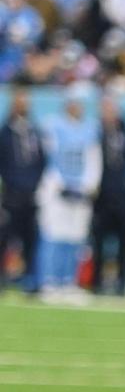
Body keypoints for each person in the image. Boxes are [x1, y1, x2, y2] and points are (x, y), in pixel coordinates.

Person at [36, 88, 101, 301]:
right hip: (57, 190)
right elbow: (47, 158)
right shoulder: (52, 125)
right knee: (54, 235)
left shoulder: (90, 128)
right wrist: (59, 184)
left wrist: (88, 185)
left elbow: (93, 159)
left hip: (80, 190)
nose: (76, 107)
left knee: (76, 238)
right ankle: (49, 281)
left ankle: (69, 282)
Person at [89, 94, 125, 297]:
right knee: (99, 242)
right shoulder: (95, 133)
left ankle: (122, 283)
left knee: (124, 242)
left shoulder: (124, 133)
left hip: (122, 195)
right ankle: (96, 282)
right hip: (102, 196)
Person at [0, 89, 44, 294]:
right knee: (5, 238)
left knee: (31, 239)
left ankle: (31, 280)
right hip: (11, 195)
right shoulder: (5, 132)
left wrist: (36, 185)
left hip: (31, 194)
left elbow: (41, 161)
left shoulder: (33, 132)